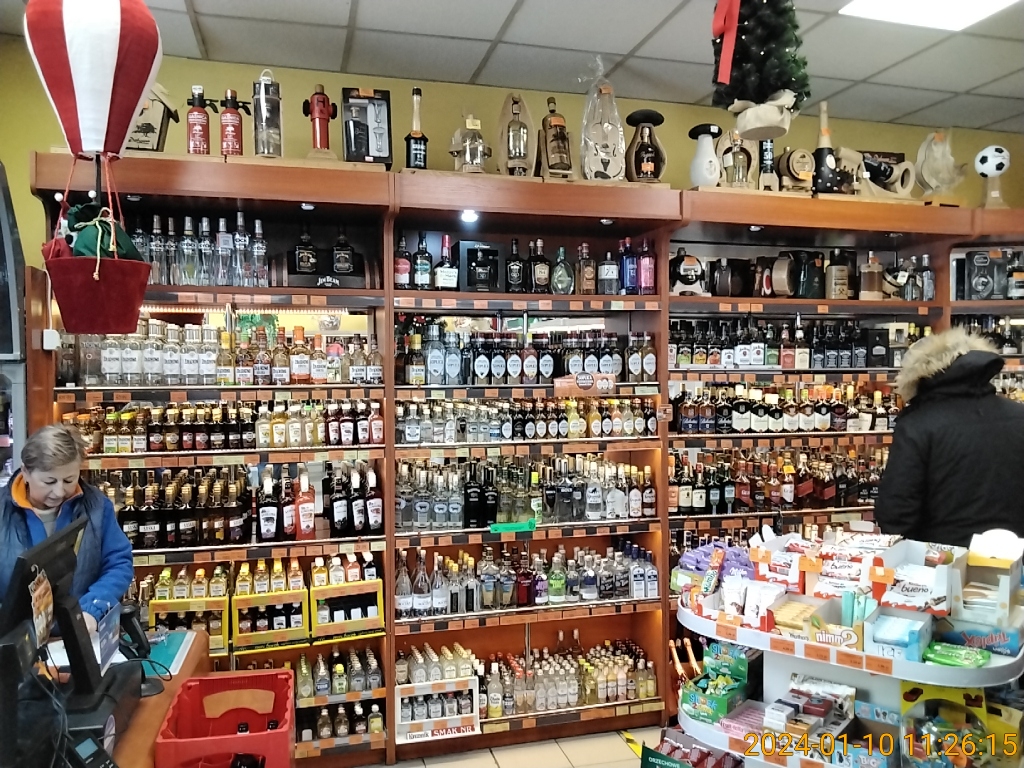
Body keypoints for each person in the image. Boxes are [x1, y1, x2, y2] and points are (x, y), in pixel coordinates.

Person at [875, 326, 1024, 547]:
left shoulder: (918, 423)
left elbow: (896, 511)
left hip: (943, 558)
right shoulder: (1019, 415)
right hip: (1015, 556)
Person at [0, 424, 133, 629]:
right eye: (49, 481)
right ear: (25, 472)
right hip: (13, 639)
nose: (59, 491)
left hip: (82, 631)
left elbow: (118, 562)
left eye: (69, 480)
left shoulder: (97, 507)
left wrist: (91, 610)